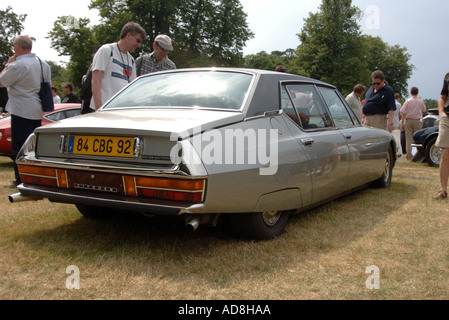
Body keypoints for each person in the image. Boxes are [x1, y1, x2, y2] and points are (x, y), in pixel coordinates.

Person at [0, 35, 51, 188]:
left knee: (19, 146)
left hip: (21, 109)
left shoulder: (17, 65)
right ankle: (35, 176)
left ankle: (21, 178)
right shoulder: (43, 64)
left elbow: (2, 81)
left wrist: (8, 64)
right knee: (33, 147)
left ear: (18, 47)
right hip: (37, 108)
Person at [90, 22, 147, 112]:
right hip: (103, 109)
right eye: (138, 40)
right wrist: (99, 109)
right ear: (129, 35)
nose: (138, 44)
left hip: (120, 111)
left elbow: (131, 89)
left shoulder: (131, 60)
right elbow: (95, 80)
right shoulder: (107, 50)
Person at [433, 73, 449, 200]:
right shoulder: (448, 76)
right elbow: (443, 97)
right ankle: (443, 190)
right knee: (445, 153)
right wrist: (441, 112)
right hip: (447, 117)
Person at [400, 87, 426, 161]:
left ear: (411, 92)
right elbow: (424, 110)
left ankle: (409, 155)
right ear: (417, 93)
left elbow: (403, 112)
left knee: (409, 139)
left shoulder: (408, 101)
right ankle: (419, 155)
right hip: (417, 121)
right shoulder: (421, 101)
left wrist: (402, 123)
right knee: (419, 139)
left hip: (409, 120)